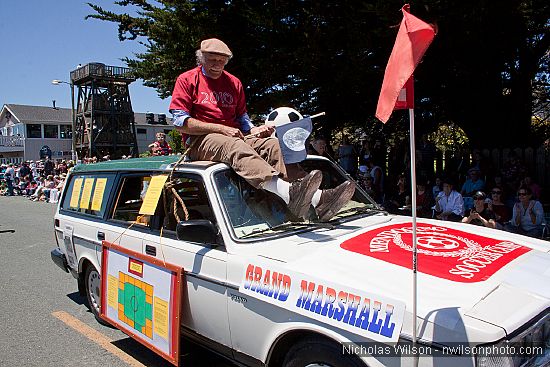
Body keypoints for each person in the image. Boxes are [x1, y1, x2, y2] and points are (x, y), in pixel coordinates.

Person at [169, 38, 354, 221]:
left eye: (221, 61)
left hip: (234, 136)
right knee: (234, 146)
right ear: (201, 58)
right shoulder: (187, 80)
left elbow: (242, 119)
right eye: (212, 60)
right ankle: (291, 193)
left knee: (274, 145)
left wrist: (256, 129)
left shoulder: (234, 83)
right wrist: (221, 129)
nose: (217, 65)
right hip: (200, 140)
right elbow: (179, 122)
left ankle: (315, 199)